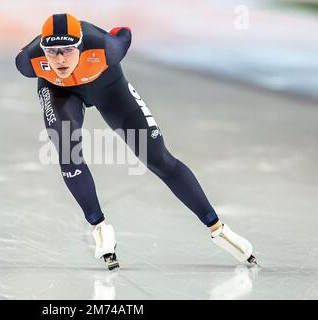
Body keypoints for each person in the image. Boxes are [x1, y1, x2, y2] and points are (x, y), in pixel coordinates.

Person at [15, 13, 257, 270]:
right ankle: (99, 227)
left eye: (67, 49)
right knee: (67, 150)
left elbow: (123, 31)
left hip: (109, 89)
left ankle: (219, 229)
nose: (60, 59)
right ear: (42, 49)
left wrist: (115, 33)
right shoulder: (28, 62)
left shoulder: (106, 47)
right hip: (59, 92)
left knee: (158, 159)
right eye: (52, 52)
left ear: (81, 45)